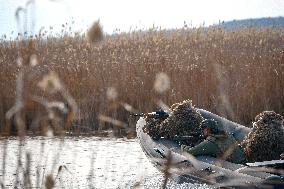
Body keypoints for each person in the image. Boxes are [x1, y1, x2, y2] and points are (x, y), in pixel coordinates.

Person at [181, 119, 247, 164]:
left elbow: (191, 152)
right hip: (242, 161)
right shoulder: (226, 135)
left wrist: (182, 145)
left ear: (207, 130)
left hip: (235, 167)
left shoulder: (211, 142)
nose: (202, 132)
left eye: (203, 129)